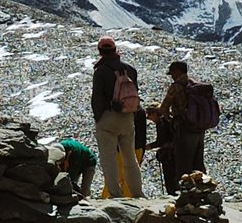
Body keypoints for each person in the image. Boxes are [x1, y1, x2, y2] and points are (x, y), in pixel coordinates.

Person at [89, 37, 144, 197]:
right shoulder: (130, 70)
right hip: (127, 117)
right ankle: (137, 193)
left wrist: (98, 117)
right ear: (115, 50)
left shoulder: (101, 71)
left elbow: (97, 97)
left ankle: (115, 194)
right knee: (130, 157)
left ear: (100, 51)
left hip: (108, 117)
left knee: (109, 159)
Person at [151, 59, 212, 192]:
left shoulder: (176, 87)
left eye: (172, 73)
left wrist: (169, 119)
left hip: (183, 129)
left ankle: (184, 193)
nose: (172, 76)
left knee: (183, 163)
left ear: (177, 71)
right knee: (198, 162)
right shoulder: (195, 85)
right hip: (199, 129)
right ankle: (203, 189)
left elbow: (164, 108)